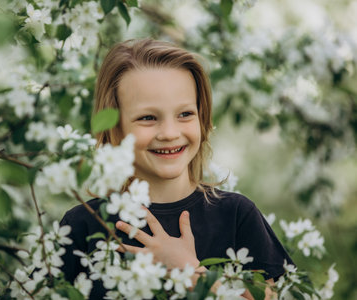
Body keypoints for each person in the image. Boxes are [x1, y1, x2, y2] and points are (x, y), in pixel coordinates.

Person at [60, 38, 293, 299]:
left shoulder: (237, 217)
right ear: (113, 128)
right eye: (148, 118)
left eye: (185, 114)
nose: (170, 133)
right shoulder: (83, 226)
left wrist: (191, 273)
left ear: (202, 118)